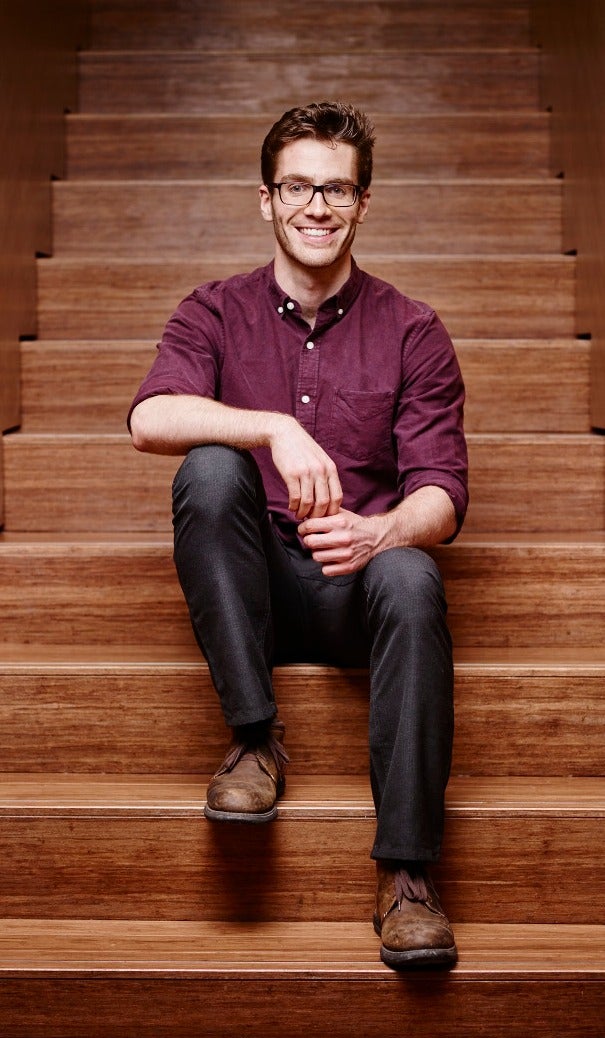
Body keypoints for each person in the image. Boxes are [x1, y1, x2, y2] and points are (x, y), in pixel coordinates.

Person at [128, 102, 468, 970]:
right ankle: (254, 739)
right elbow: (150, 418)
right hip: (256, 594)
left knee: (413, 574)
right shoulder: (213, 310)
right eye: (297, 187)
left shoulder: (413, 330)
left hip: (357, 587)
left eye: (336, 189)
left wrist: (379, 533)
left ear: (362, 204)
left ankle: (406, 877)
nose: (316, 206)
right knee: (210, 468)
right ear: (266, 199)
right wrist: (272, 426)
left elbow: (441, 493)